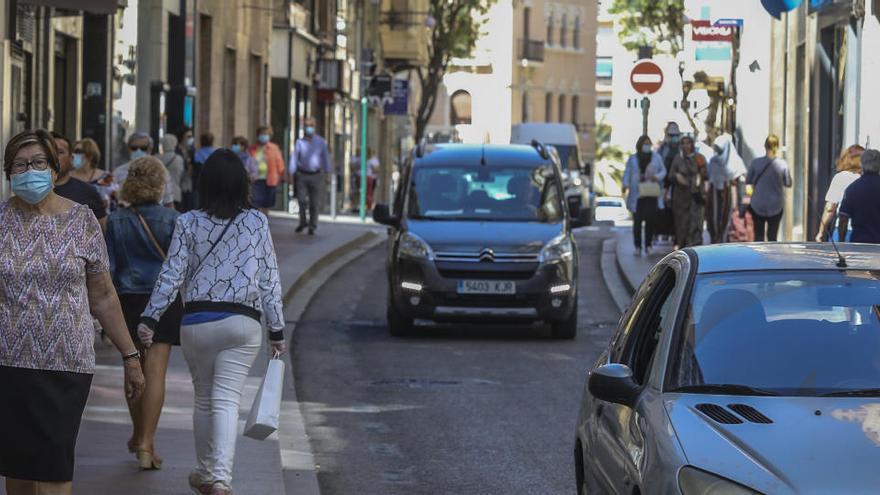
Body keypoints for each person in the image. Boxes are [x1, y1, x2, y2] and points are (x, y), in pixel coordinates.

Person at [0, 129, 145, 495]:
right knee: (17, 467)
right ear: (9, 174)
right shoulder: (1, 220)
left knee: (53, 466)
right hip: (9, 362)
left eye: (37, 162)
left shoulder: (81, 221)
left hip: (67, 363)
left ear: (53, 168)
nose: (28, 170)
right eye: (19, 164)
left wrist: (130, 356)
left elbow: (104, 297)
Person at [137, 150, 285, 495]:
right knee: (227, 399)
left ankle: (206, 472)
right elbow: (269, 280)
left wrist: (150, 317)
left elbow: (171, 275)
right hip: (242, 323)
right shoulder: (256, 222)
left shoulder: (187, 221)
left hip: (197, 322)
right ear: (242, 184)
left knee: (203, 399)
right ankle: (219, 478)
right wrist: (276, 330)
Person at [106, 156, 183, 471]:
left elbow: (109, 268)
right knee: (155, 373)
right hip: (163, 302)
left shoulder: (115, 221)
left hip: (127, 300)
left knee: (132, 369)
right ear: (160, 184)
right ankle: (147, 442)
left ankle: (138, 434)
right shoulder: (174, 219)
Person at [52, 131, 108, 231]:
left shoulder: (88, 192)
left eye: (60, 152)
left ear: (70, 157)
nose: (53, 156)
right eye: (48, 152)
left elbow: (103, 233)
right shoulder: (32, 192)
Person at [623, 135, 666, 256]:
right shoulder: (633, 158)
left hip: (650, 193)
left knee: (650, 221)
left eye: (649, 143)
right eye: (645, 143)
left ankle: (648, 245)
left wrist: (656, 177)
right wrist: (625, 184)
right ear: (640, 144)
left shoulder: (656, 157)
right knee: (637, 222)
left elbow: (663, 171)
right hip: (637, 195)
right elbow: (627, 172)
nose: (647, 145)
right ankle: (637, 246)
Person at [746, 135, 792, 242]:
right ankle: (771, 257)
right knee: (772, 237)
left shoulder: (755, 163)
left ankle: (759, 257)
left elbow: (748, 181)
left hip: (758, 204)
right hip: (776, 205)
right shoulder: (782, 164)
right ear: (777, 146)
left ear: (765, 146)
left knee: (758, 236)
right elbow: (788, 183)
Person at [291, 117, 331, 235]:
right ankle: (303, 222)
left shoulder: (321, 142)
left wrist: (328, 173)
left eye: (311, 125)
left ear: (314, 126)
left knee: (314, 202)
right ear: (304, 127)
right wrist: (290, 173)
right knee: (301, 200)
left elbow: (326, 158)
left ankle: (312, 225)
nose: (309, 128)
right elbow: (294, 158)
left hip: (316, 175)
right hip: (302, 174)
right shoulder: (299, 142)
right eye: (307, 125)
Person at [816, 144, 865, 242]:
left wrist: (821, 232)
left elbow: (830, 208)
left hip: (844, 230)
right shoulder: (868, 179)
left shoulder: (840, 178)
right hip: (867, 232)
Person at [114, 132, 175, 208]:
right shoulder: (118, 172)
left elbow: (168, 201)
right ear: (129, 149)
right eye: (134, 148)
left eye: (143, 148)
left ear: (150, 149)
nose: (138, 151)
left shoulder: (161, 171)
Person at [706, 133, 748, 243]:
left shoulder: (736, 162)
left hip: (731, 197)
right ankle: (715, 241)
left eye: (720, 149)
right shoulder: (713, 161)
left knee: (729, 223)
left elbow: (743, 179)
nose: (718, 151)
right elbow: (708, 178)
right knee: (714, 221)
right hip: (714, 197)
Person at [668, 135, 707, 249]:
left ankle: (696, 249)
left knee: (696, 225)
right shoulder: (677, 159)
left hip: (696, 197)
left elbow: (706, 175)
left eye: (688, 143)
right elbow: (670, 175)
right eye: (683, 143)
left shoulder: (699, 158)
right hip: (681, 198)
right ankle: (683, 249)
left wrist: (702, 168)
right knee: (682, 226)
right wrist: (677, 176)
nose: (686, 145)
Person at [838, 149, 880, 244]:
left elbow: (843, 219)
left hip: (860, 243)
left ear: (861, 164)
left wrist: (841, 242)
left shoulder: (852, 189)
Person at [248, 125, 285, 216]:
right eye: (262, 134)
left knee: (267, 204)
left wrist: (282, 175)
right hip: (256, 180)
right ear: (258, 135)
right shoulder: (252, 149)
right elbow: (248, 163)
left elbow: (279, 162)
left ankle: (264, 221)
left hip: (270, 180)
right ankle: (257, 222)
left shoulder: (274, 148)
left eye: (266, 134)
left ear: (269, 136)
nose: (263, 136)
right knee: (256, 203)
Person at [656, 122, 682, 241]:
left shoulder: (683, 148)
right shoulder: (662, 149)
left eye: (676, 135)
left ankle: (677, 236)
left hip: (680, 187)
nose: (673, 138)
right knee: (664, 210)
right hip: (664, 185)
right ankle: (664, 232)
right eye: (671, 135)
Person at [71, 137, 114, 207]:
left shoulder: (106, 177)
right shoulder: (66, 177)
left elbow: (114, 203)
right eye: (73, 151)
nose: (73, 155)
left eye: (78, 151)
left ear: (90, 155)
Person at [157, 134, 186, 210]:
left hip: (159, 193)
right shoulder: (179, 159)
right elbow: (182, 176)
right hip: (175, 193)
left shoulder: (156, 158)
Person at [178, 127, 196, 211]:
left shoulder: (192, 150)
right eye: (188, 137)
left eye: (191, 136)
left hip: (190, 186)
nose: (191, 139)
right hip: (179, 186)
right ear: (182, 137)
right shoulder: (177, 151)